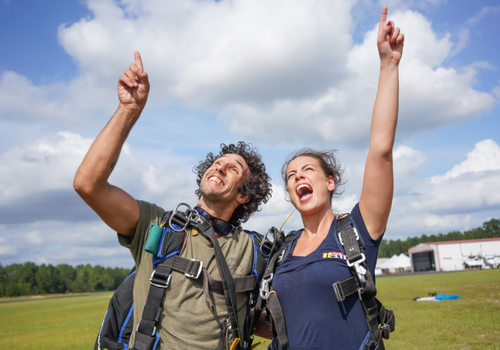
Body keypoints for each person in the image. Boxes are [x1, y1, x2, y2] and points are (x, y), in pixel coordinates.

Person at [73, 52, 272, 349]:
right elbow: (88, 184)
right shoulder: (157, 225)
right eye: (216, 163)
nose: (219, 167)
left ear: (244, 195)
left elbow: (271, 319)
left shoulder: (252, 249)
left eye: (233, 169)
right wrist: (129, 109)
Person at [268, 7, 404, 350]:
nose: (298, 177)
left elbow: (381, 151)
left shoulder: (358, 231)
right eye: (291, 176)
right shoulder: (279, 253)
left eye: (308, 170)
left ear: (330, 182)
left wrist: (388, 66)